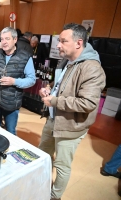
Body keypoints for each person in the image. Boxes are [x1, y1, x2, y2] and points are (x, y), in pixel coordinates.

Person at [38, 23, 106, 200]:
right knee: (42, 155)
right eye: (58, 41)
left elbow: (88, 102)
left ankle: (54, 196)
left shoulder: (92, 68)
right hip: (54, 120)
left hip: (70, 126)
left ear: (78, 43)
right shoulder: (67, 60)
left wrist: (54, 100)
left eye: (63, 41)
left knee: (61, 165)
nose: (58, 45)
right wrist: (49, 88)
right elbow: (61, 84)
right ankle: (40, 185)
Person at [0, 27, 36, 135]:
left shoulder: (25, 57)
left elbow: (32, 80)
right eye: (2, 39)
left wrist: (14, 81)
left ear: (15, 40)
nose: (4, 42)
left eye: (7, 38)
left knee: (10, 132)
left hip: (12, 103)